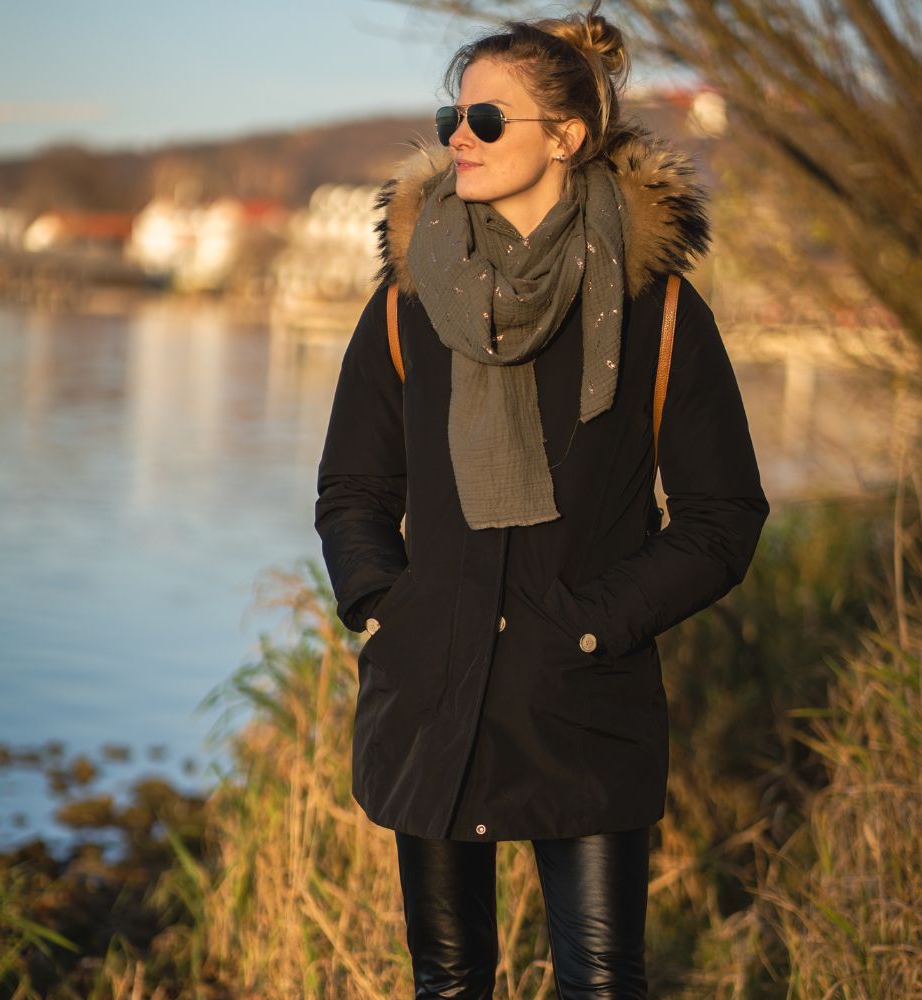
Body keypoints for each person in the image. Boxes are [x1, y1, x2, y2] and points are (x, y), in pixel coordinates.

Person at [315, 4, 769, 996]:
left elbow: (721, 517)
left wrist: (595, 627)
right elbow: (351, 488)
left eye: (487, 120)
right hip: (432, 691)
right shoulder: (406, 304)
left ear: (566, 136)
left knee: (601, 981)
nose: (458, 140)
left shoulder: (658, 314)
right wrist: (386, 609)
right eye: (453, 120)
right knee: (448, 979)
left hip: (582, 700)